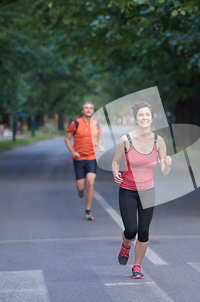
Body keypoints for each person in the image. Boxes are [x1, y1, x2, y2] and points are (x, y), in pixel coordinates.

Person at [112, 101, 172, 279]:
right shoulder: (126, 140)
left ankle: (137, 266)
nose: (144, 118)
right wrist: (116, 173)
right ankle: (125, 243)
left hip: (148, 191)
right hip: (128, 190)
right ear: (136, 118)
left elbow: (164, 170)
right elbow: (116, 161)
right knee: (131, 230)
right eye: (141, 115)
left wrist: (167, 164)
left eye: (147, 114)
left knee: (144, 230)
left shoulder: (158, 141)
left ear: (152, 118)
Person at [65, 101, 104, 220]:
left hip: (91, 158)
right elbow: (67, 139)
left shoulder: (97, 125)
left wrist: (101, 146)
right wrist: (73, 152)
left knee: (91, 182)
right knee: (81, 187)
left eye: (90, 108)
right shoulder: (75, 124)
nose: (88, 110)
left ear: (93, 111)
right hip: (79, 158)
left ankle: (88, 211)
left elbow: (99, 139)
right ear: (83, 111)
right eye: (86, 108)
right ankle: (80, 190)